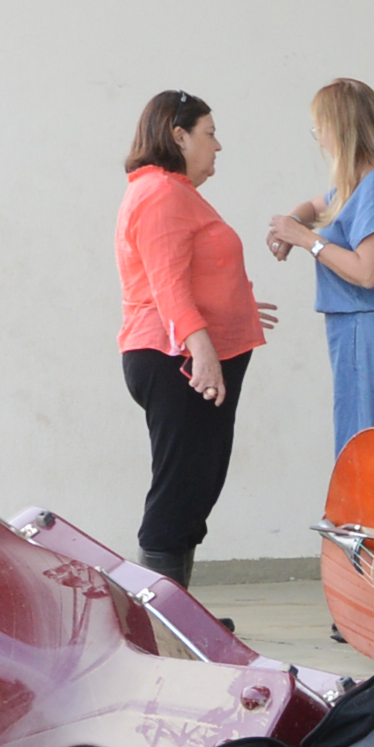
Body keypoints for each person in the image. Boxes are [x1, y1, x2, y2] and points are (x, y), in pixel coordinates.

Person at [115, 90, 273, 586]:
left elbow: (192, 270)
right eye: (210, 133)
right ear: (179, 136)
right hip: (174, 359)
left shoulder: (174, 192)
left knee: (196, 486)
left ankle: (179, 614)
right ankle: (160, 619)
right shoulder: (159, 193)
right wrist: (201, 351)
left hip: (187, 354)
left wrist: (236, 305)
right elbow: (167, 284)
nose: (218, 145)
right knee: (179, 492)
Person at [267, 79, 374, 455]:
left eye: (319, 129)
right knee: (367, 450)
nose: (319, 140)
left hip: (368, 329)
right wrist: (293, 222)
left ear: (338, 129)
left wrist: (306, 239)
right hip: (366, 331)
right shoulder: (364, 184)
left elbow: (369, 272)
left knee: (370, 456)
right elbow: (316, 205)